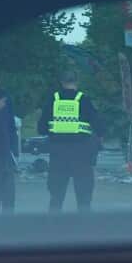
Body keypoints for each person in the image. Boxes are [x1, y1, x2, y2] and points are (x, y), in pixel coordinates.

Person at [38, 69, 101, 212]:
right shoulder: (84, 100)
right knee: (84, 198)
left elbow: (41, 128)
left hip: (58, 154)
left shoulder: (53, 100)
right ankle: (83, 223)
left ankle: (54, 224)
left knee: (56, 197)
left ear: (61, 82)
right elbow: (99, 125)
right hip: (81, 154)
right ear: (77, 81)